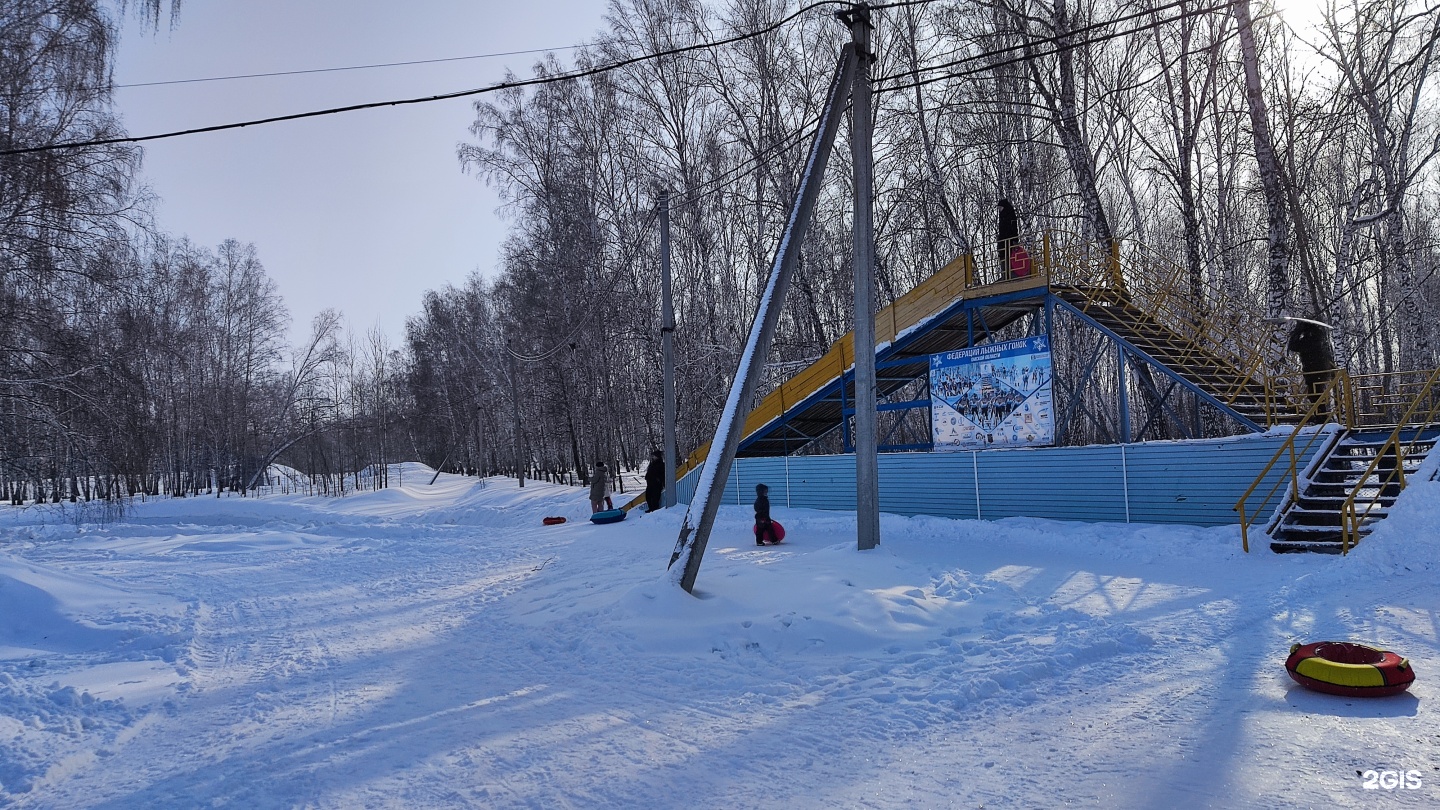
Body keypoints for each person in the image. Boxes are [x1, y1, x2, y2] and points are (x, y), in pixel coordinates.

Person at [1286, 319, 1336, 417]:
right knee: (1317, 393)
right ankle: (1321, 415)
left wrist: (1297, 331)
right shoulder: (1319, 338)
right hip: (1320, 370)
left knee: (1315, 394)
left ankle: (1321, 417)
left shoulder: (1309, 340)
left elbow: (1293, 346)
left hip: (1313, 371)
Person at [997, 198, 1020, 279]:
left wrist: (1015, 240)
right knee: (1004, 257)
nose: (999, 210)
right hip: (1003, 241)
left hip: (1009, 240)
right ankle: (1005, 275)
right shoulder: (1003, 216)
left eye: (1000, 208)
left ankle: (1010, 274)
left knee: (1010, 257)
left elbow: (1013, 228)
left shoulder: (1009, 215)